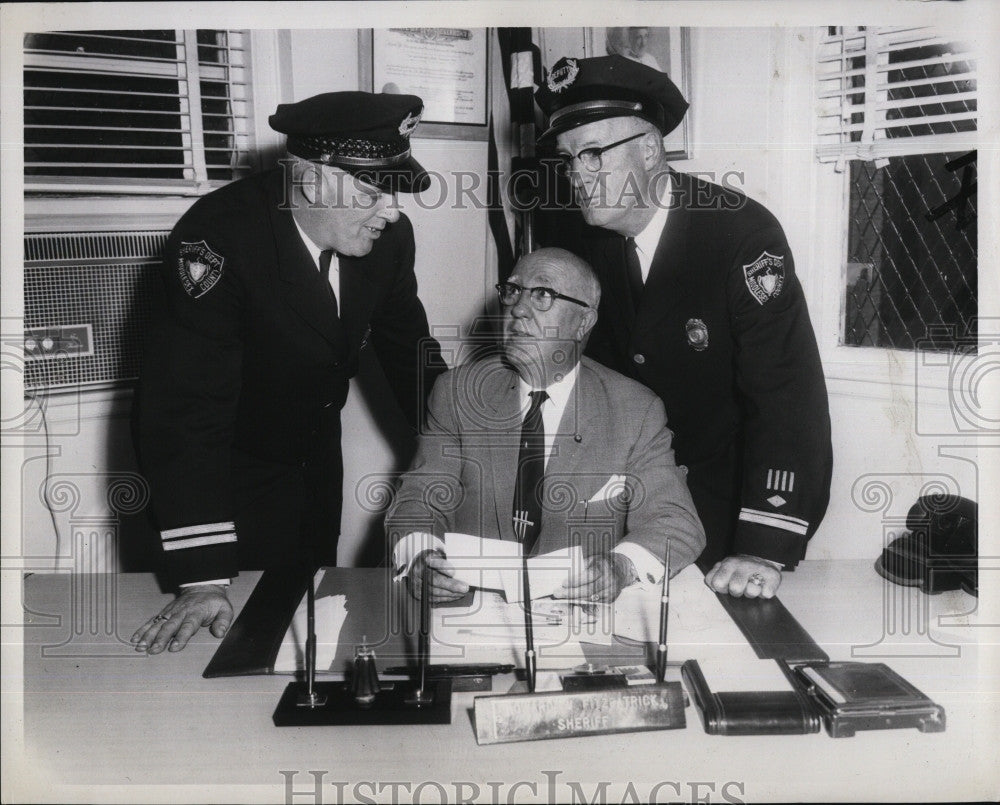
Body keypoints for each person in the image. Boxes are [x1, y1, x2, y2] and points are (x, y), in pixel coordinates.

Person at [131, 91, 444, 653]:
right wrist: (203, 575)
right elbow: (185, 413)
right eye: (373, 192)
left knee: (309, 635)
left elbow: (411, 358)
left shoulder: (388, 240)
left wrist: (472, 445)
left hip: (316, 459)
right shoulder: (219, 240)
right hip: (229, 476)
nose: (392, 211)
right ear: (310, 179)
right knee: (233, 642)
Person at [535, 56, 833, 599]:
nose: (579, 175)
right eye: (570, 159)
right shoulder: (573, 238)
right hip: (616, 501)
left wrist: (763, 542)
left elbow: (787, 395)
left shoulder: (741, 235)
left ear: (650, 149)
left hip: (721, 506)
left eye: (595, 154)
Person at [385, 247, 705, 603]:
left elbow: (676, 522)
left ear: (583, 322)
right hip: (470, 610)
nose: (518, 309)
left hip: (580, 618)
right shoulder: (456, 393)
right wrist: (421, 557)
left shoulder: (635, 410)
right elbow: (418, 500)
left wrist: (619, 567)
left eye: (543, 294)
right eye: (512, 291)